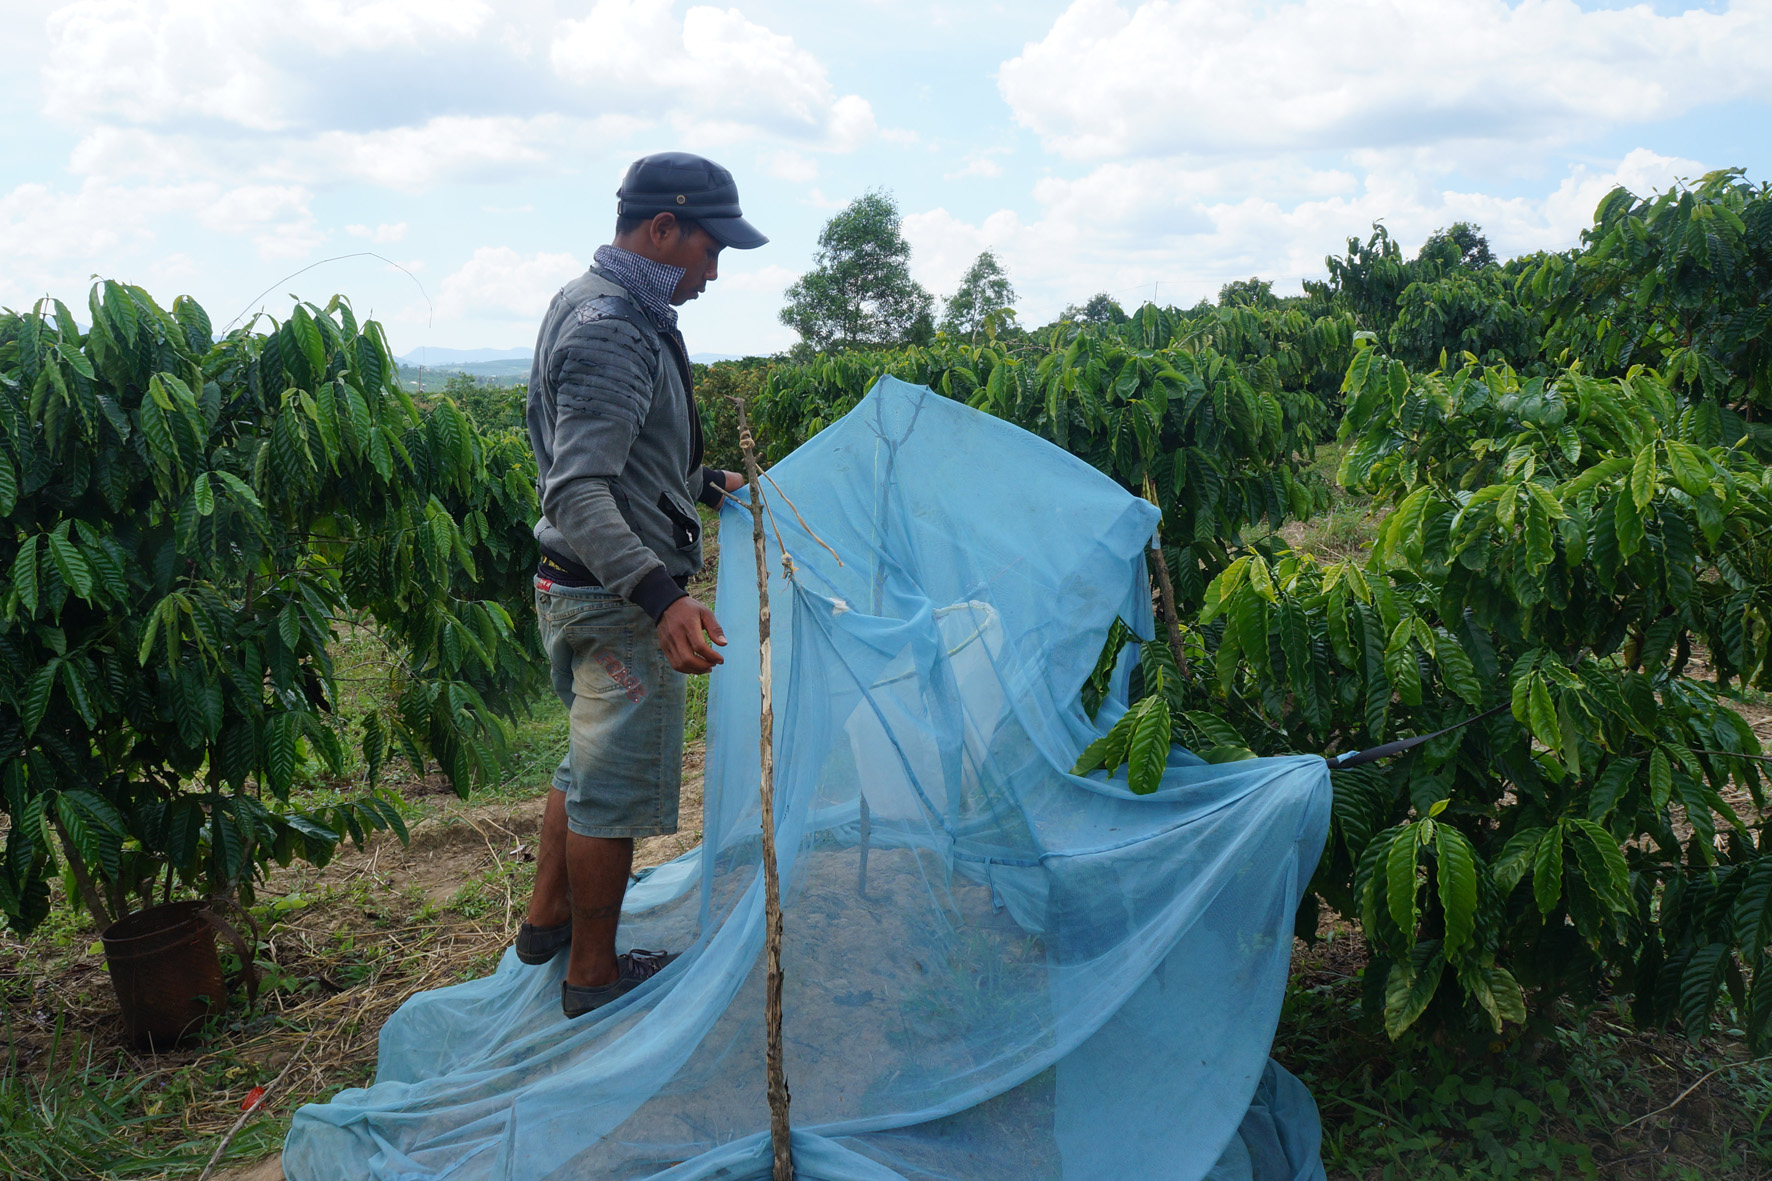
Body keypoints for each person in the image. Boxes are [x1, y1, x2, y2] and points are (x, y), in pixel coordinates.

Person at [518, 152, 768, 1018]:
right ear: (662, 229)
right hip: (617, 600)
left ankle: (546, 922)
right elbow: (579, 489)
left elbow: (626, 457)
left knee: (584, 763)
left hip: (579, 584)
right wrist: (662, 598)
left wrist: (705, 483)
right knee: (611, 792)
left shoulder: (598, 300)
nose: (711, 271)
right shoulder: (614, 328)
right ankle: (593, 974)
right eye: (708, 250)